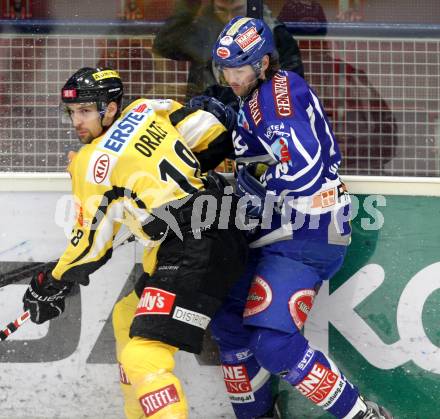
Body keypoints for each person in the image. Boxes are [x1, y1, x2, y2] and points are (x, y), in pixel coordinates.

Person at [21, 66, 248, 418]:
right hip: (224, 225)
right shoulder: (148, 108)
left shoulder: (90, 162)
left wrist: (49, 284)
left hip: (192, 249)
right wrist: (175, 186)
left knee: (141, 356)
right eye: (72, 112)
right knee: (126, 317)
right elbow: (216, 135)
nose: (76, 121)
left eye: (85, 111)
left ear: (109, 109)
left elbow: (88, 250)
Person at [209, 17, 393, 419]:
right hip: (275, 232)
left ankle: (361, 414)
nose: (230, 77)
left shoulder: (276, 98)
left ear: (263, 64)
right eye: (225, 69)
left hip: (305, 233)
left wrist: (254, 191)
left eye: (239, 69)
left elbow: (303, 170)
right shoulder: (260, 94)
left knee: (273, 344)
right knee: (227, 324)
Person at [152, 0, 304, 107]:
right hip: (207, 116)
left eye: (238, 10)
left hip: (254, 122)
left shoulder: (274, 34)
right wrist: (189, 5)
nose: (230, 18)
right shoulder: (205, 30)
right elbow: (164, 45)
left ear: (252, 6)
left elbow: (290, 89)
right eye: (221, 10)